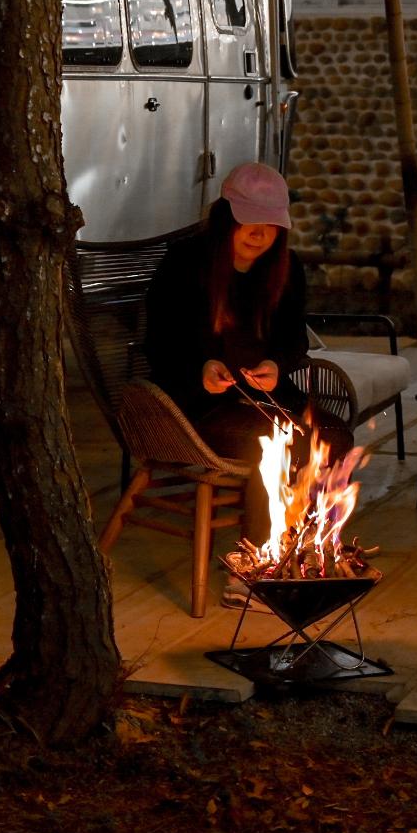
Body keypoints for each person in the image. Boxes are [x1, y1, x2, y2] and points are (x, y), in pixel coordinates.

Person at [144, 162, 354, 591]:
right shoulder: (186, 264)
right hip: (195, 401)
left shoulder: (286, 268)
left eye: (270, 224)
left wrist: (277, 366)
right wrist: (200, 369)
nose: (260, 233)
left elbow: (294, 341)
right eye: (249, 222)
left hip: (265, 393)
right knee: (272, 442)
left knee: (333, 436)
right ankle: (254, 568)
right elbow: (158, 344)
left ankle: (301, 545)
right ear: (227, 218)